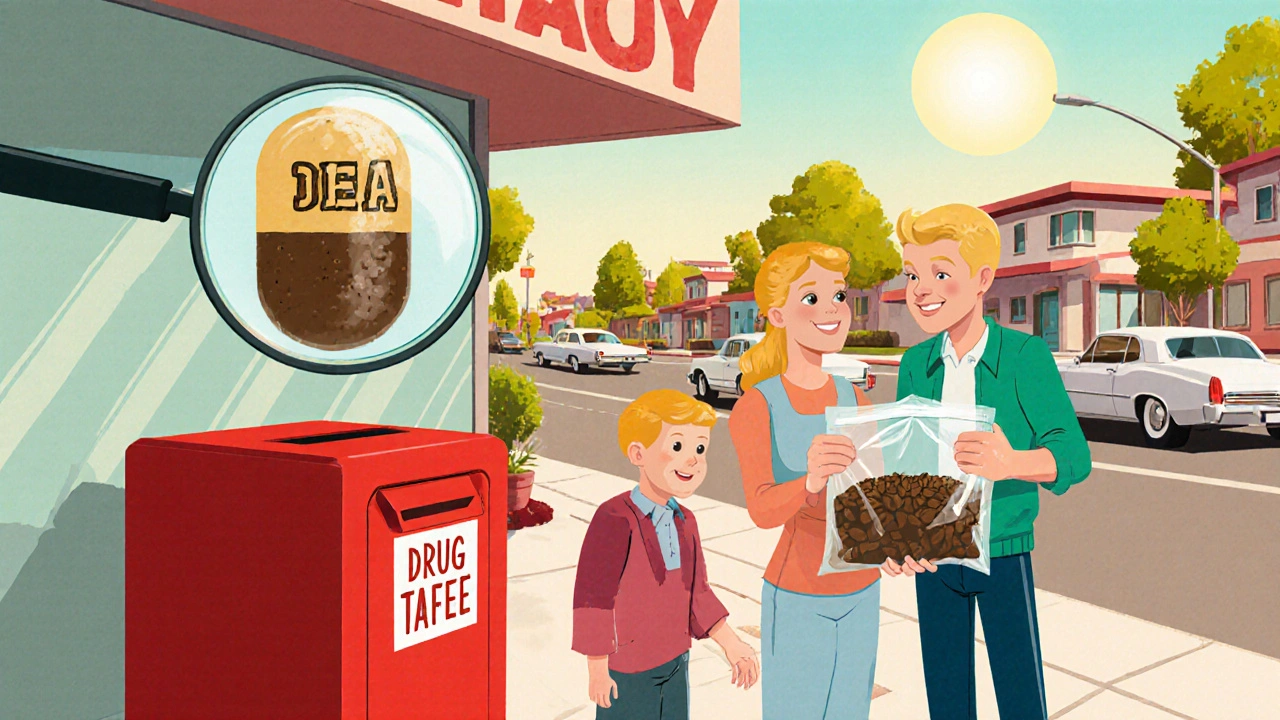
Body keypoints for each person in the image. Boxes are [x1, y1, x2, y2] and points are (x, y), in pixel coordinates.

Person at [888, 204, 1092, 720]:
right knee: (946, 689)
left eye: (939, 273)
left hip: (1001, 551)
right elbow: (905, 464)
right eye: (912, 274)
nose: (921, 289)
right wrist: (897, 537)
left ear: (982, 280)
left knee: (1019, 689)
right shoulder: (915, 364)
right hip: (933, 556)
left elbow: (1074, 456)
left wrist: (1011, 462)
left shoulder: (1025, 357)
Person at [729, 242, 885, 720]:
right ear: (777, 315)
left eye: (839, 295)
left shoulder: (853, 396)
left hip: (863, 590)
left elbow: (874, 497)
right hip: (798, 596)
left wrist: (902, 544)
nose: (834, 310)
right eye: (812, 298)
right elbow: (760, 509)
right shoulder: (757, 405)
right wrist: (810, 481)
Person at [572, 389, 760, 719]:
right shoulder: (614, 518)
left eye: (700, 448)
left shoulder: (686, 521)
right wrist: (597, 668)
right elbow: (593, 598)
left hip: (676, 663)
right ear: (637, 454)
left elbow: (697, 594)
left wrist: (732, 643)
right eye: (677, 446)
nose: (693, 459)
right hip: (628, 672)